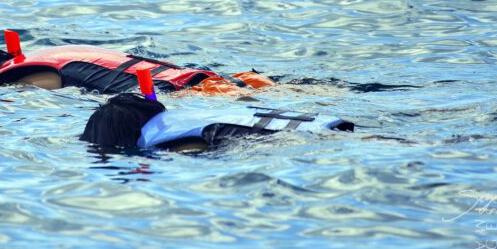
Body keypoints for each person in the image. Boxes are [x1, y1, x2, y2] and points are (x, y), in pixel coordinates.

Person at [0, 30, 275, 96]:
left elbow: (49, 94)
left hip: (181, 92)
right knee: (281, 92)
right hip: (199, 77)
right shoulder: (59, 50)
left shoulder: (23, 75)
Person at [81, 93, 354, 154]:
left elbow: (200, 148)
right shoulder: (191, 114)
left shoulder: (174, 142)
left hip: (312, 142)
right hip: (325, 127)